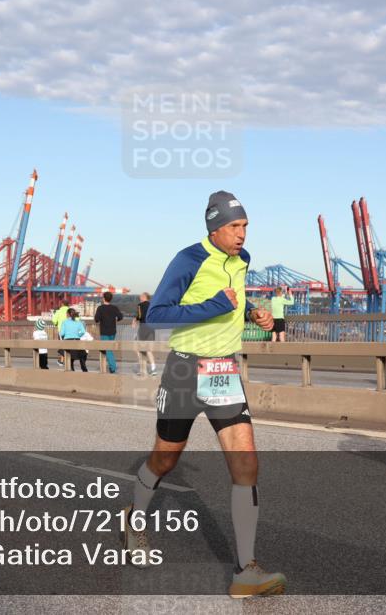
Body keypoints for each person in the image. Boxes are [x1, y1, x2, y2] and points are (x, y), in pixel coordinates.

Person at [127, 190, 284, 598]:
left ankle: (246, 570)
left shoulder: (242, 260)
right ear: (214, 228)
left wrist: (252, 313)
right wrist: (213, 306)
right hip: (184, 370)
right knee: (165, 459)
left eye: (245, 226)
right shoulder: (189, 259)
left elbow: (234, 301)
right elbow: (156, 316)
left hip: (223, 371)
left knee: (246, 463)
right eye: (234, 226)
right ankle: (135, 518)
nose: (242, 234)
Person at [93, 292, 123, 373]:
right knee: (108, 349)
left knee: (108, 349)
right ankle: (108, 365)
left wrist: (100, 319)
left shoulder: (100, 308)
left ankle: (113, 367)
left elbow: (96, 319)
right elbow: (120, 316)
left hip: (104, 331)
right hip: (113, 331)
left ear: (103, 298)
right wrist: (116, 319)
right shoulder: (114, 308)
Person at [133, 292, 157, 375]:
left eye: (140, 296)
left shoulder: (140, 305)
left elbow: (140, 316)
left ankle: (143, 369)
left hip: (143, 328)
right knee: (149, 350)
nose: (139, 297)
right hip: (151, 329)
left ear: (144, 297)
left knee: (137, 348)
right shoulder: (152, 305)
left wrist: (135, 320)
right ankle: (153, 369)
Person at [51, 299, 71, 368]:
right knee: (68, 345)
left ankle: (62, 361)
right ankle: (65, 360)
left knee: (62, 346)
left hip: (61, 331)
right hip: (70, 331)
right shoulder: (71, 310)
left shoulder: (58, 311)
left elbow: (54, 321)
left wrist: (56, 324)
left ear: (62, 304)